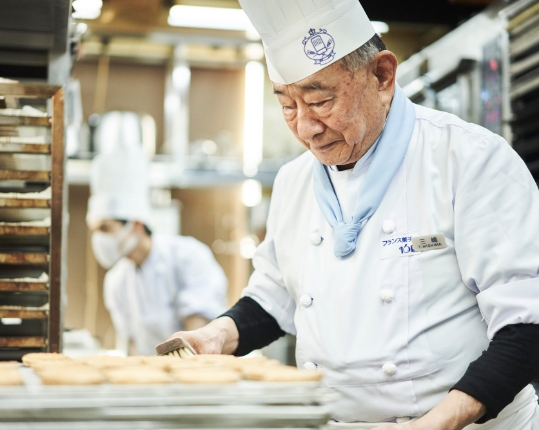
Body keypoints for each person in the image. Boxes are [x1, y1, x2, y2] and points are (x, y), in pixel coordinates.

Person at [167, 0, 539, 429]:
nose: (305, 127)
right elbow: (275, 298)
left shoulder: (469, 160)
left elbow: (526, 323)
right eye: (288, 105)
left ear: (382, 76)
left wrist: (436, 423)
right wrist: (213, 336)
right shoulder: (294, 182)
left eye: (320, 100)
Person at [86, 113, 227, 356]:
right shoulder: (117, 282)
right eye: (95, 231)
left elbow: (199, 337)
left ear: (136, 225)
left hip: (198, 376)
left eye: (106, 229)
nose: (99, 239)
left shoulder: (187, 256)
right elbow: (132, 347)